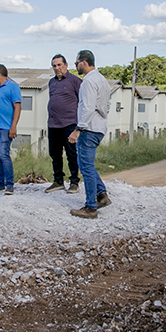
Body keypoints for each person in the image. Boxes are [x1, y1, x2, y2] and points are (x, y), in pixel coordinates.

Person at [68, 50, 111, 219]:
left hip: (89, 129)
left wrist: (78, 129)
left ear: (83, 63)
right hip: (99, 126)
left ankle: (91, 207)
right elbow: (105, 107)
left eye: (76, 63)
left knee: (85, 167)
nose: (76, 66)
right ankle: (101, 195)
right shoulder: (102, 80)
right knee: (86, 163)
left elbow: (87, 107)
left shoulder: (88, 82)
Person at [45, 54, 81, 194]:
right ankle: (58, 181)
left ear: (66, 65)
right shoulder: (51, 82)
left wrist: (79, 127)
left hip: (69, 124)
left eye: (59, 65)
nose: (57, 68)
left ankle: (74, 182)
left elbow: (82, 102)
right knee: (55, 154)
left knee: (72, 154)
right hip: (53, 123)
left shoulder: (75, 81)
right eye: (54, 66)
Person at [0, 64, 21, 195]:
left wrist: (13, 126)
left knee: (3, 154)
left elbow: (17, 107)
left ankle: (9, 184)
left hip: (5, 128)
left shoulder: (13, 87)